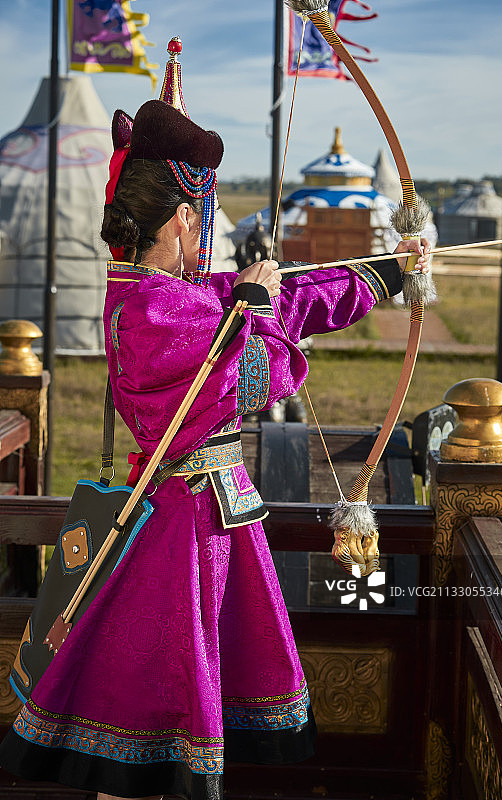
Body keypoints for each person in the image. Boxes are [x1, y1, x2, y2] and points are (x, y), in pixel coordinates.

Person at [0, 39, 430, 800]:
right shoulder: (143, 305)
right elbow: (258, 376)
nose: (204, 234)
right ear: (170, 224)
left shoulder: (185, 291)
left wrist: (392, 271)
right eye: (197, 219)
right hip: (180, 526)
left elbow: (294, 299)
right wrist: (255, 310)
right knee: (153, 705)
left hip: (216, 519)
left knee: (183, 693)